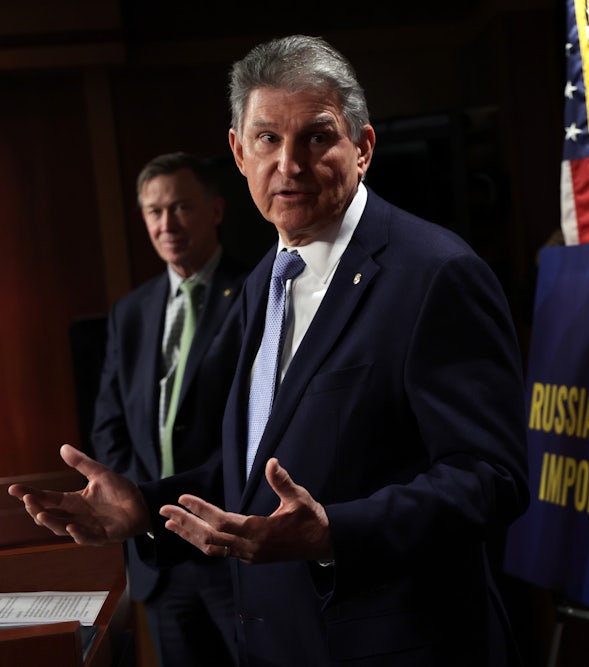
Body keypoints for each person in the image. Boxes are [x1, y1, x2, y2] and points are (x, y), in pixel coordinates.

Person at [11, 35, 529, 667]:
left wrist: (335, 533)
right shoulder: (264, 280)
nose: (289, 163)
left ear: (362, 148)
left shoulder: (436, 273)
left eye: (316, 137)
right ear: (238, 152)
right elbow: (256, 472)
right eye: (266, 139)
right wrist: (147, 506)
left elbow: (491, 479)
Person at [91, 151, 246, 667]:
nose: (166, 224)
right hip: (159, 560)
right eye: (154, 212)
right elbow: (110, 425)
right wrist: (144, 506)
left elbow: (256, 423)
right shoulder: (129, 312)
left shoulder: (255, 294)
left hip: (233, 547)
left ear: (216, 210)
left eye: (180, 207)